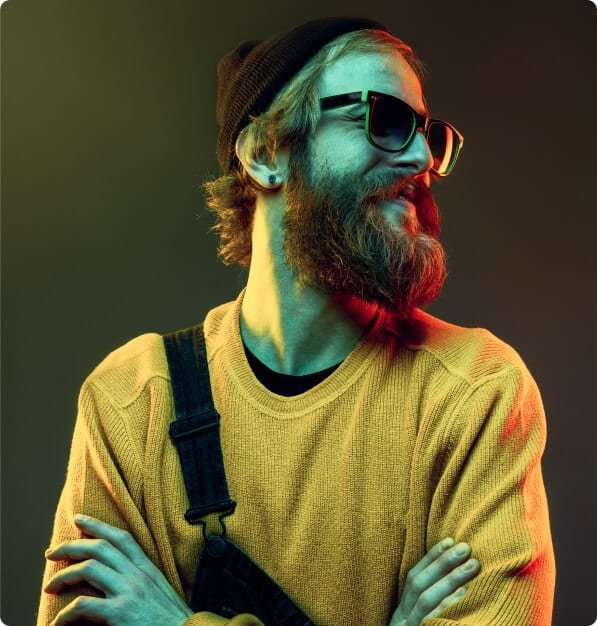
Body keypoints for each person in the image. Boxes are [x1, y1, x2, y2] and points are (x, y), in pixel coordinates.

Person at [36, 16, 556, 626]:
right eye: (385, 119)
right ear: (264, 154)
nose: (422, 159)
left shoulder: (476, 394)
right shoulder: (130, 405)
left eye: (427, 133)